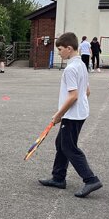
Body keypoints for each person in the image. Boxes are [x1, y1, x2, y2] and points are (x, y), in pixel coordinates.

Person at [39, 32, 102, 198]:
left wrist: (58, 114)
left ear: (69, 48)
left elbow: (73, 96)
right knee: (61, 143)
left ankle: (91, 179)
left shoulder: (71, 69)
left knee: (68, 147)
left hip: (73, 115)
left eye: (60, 49)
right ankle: (58, 177)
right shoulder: (81, 65)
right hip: (79, 113)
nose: (59, 53)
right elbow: (87, 91)